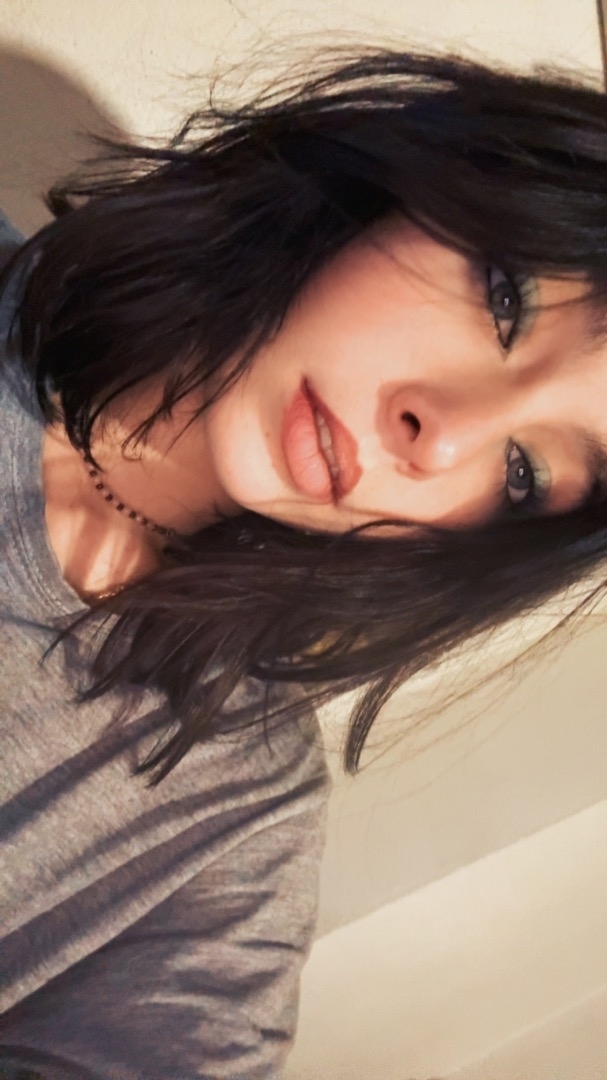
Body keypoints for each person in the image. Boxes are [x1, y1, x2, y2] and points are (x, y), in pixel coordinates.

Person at [2, 46, 607, 1079]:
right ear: (410, 186)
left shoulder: (235, 813)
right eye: (506, 299)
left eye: (523, 472)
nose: (440, 435)